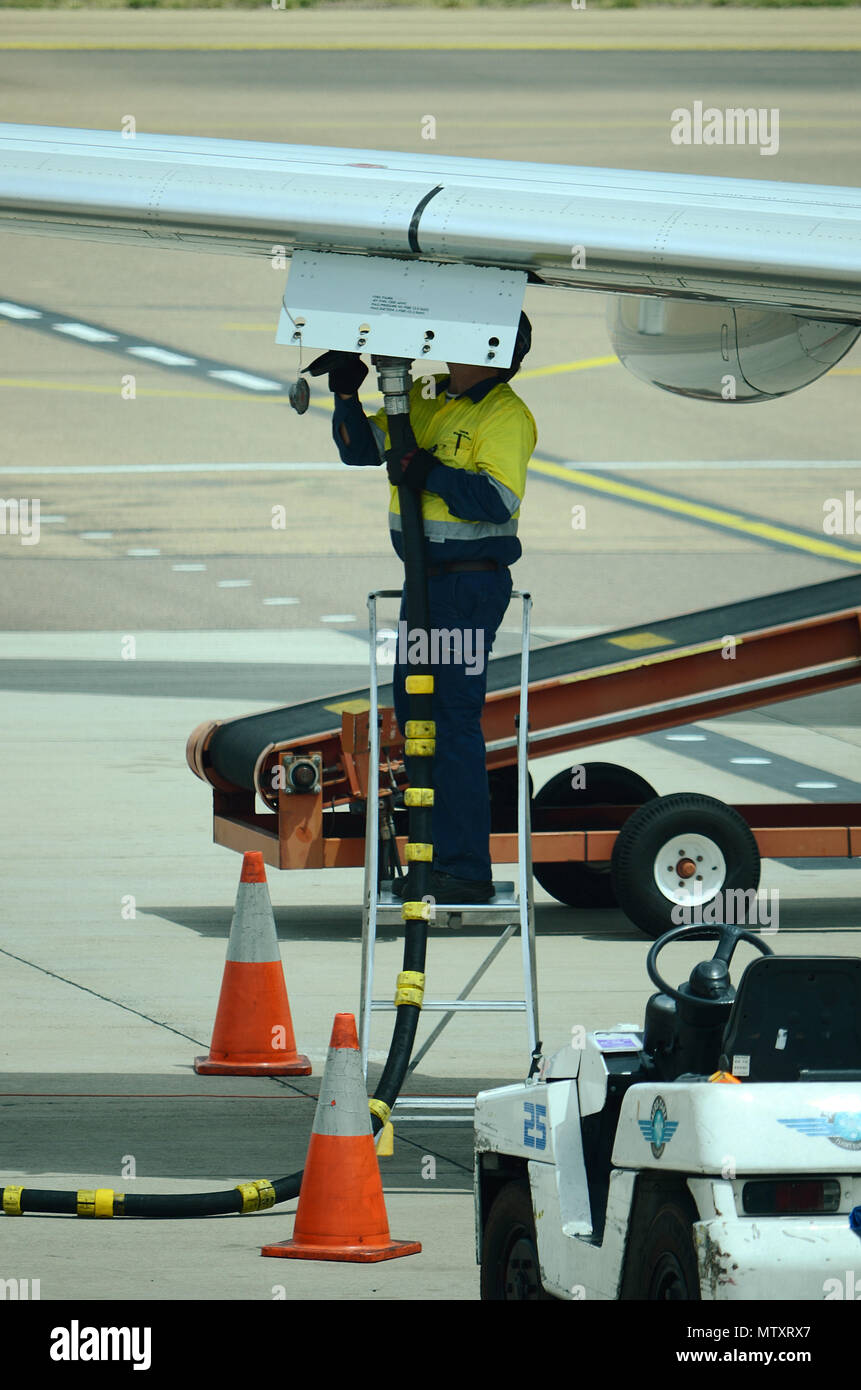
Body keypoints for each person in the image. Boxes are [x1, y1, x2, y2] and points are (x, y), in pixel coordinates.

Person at [321, 312, 536, 903]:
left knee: (451, 720)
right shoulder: (429, 396)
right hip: (424, 585)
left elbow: (494, 501)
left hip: (465, 590)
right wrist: (346, 391)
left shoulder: (505, 415)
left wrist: (431, 473)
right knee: (416, 712)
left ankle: (464, 867)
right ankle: (429, 855)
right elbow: (362, 451)